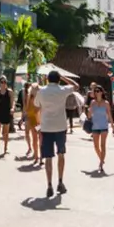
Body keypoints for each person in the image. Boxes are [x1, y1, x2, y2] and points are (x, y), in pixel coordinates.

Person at [33, 70, 80, 198]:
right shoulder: (62, 90)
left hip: (46, 127)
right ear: (59, 79)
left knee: (48, 158)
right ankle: (60, 181)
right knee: (61, 154)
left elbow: (36, 106)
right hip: (60, 127)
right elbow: (76, 86)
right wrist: (64, 77)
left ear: (48, 79)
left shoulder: (41, 91)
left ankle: (49, 185)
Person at [83, 83, 112, 174]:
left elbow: (109, 115)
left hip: (104, 126)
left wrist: (113, 127)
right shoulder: (92, 102)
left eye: (98, 91)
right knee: (96, 146)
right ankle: (101, 159)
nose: (96, 92)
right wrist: (89, 111)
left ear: (102, 92)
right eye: (95, 91)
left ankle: (101, 164)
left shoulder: (106, 103)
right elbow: (89, 116)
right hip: (95, 126)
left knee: (103, 146)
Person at [0, 78, 15, 158]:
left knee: (5, 133)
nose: (3, 83)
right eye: (2, 82)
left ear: (6, 83)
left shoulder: (9, 92)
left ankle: (5, 148)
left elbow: (13, 102)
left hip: (6, 113)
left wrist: (12, 108)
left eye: (4, 82)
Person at [21, 80, 40, 161]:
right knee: (38, 138)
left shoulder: (30, 97)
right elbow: (27, 108)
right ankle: (37, 155)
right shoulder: (37, 97)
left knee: (35, 138)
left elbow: (27, 109)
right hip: (37, 120)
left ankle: (36, 155)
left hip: (34, 119)